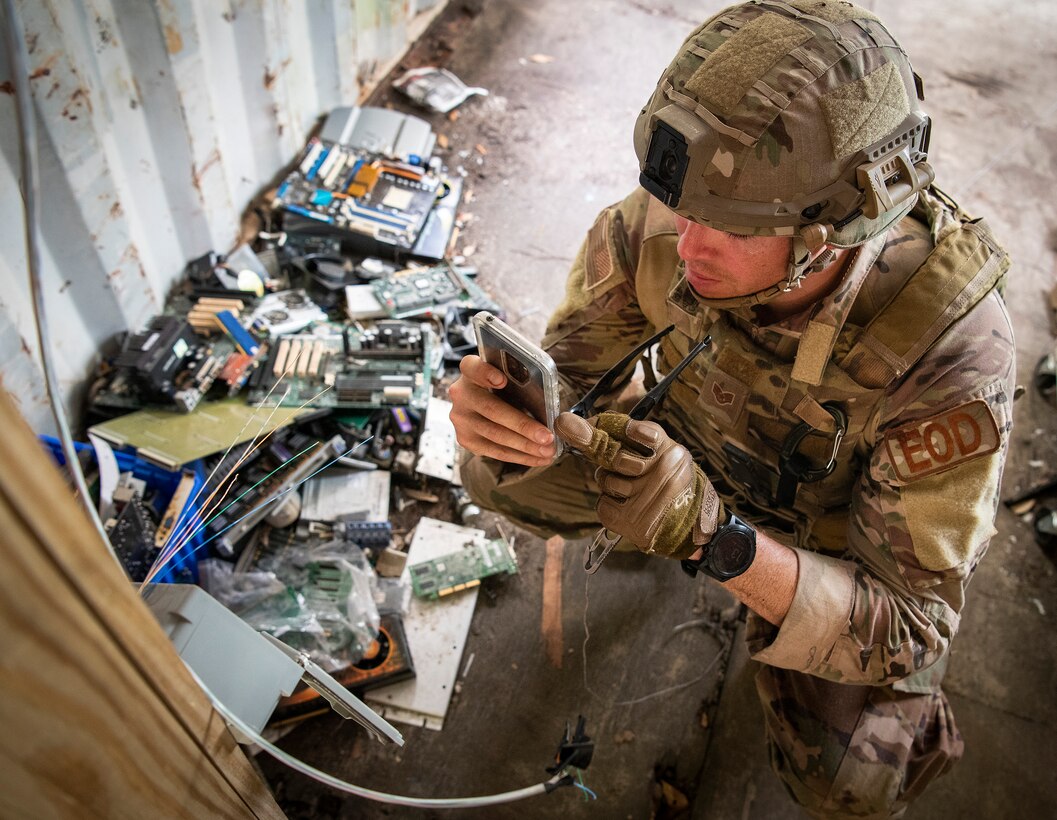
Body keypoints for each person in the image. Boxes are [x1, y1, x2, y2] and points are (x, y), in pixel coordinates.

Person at [449, 1, 1015, 817]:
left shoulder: (946, 351)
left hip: (831, 542)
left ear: (830, 232)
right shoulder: (685, 220)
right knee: (496, 472)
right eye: (683, 208)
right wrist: (500, 411)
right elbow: (568, 371)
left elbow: (909, 623)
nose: (683, 245)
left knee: (853, 780)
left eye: (726, 229)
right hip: (690, 456)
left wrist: (716, 542)